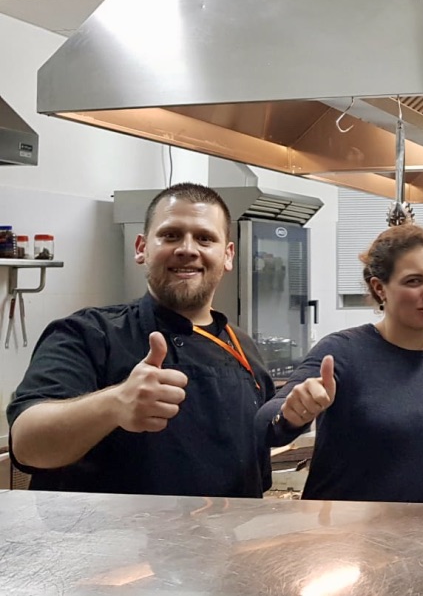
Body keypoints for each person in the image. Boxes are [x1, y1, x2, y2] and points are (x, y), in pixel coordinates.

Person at [6, 183, 280, 497]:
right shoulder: (88, 333)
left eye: (205, 238)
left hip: (226, 530)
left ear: (227, 255)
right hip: (109, 531)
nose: (187, 249)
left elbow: (255, 477)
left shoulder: (245, 350)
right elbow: (26, 444)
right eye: (170, 235)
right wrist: (114, 404)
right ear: (141, 248)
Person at [256, 222, 423, 503]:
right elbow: (265, 424)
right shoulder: (342, 351)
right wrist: (291, 414)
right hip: (338, 527)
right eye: (414, 281)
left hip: (417, 527)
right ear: (380, 288)